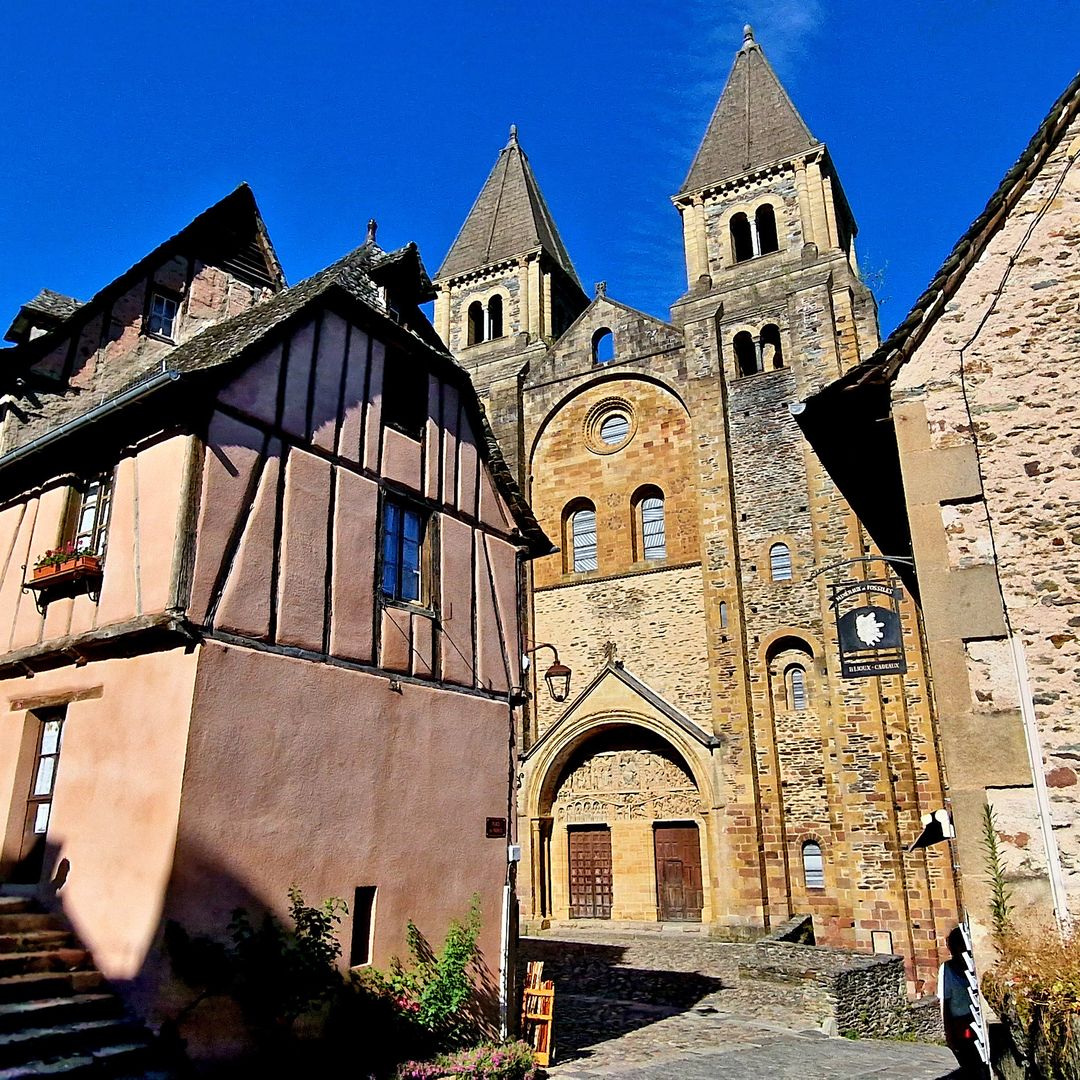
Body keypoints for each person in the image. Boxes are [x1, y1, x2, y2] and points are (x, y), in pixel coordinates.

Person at [939, 927, 987, 1077]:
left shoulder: (976, 967)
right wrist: (949, 1034)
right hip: (961, 1025)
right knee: (969, 1065)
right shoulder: (946, 969)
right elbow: (944, 1004)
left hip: (978, 1021)